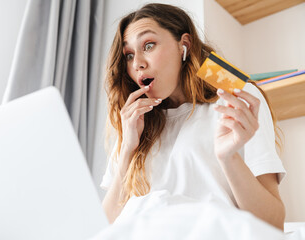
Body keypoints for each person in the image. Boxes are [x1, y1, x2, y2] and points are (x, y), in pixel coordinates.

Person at [100, 3, 286, 230]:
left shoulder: (235, 100)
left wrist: (228, 158)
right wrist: (128, 148)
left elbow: (273, 223)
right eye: (128, 55)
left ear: (184, 45)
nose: (137, 63)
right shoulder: (135, 122)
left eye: (149, 45)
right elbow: (106, 224)